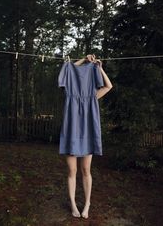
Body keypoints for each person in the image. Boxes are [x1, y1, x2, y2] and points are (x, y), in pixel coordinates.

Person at [65, 54, 113, 219]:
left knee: (86, 170)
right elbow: (68, 69)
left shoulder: (93, 95)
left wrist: (99, 68)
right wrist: (84, 60)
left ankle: (87, 204)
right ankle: (72, 203)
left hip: (87, 134)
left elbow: (109, 86)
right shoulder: (69, 90)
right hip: (71, 132)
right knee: (72, 170)